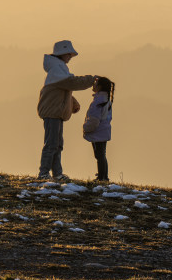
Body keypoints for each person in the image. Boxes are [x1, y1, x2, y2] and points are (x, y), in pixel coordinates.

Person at [36, 40, 97, 180]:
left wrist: (72, 102)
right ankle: (44, 173)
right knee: (51, 144)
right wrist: (91, 80)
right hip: (53, 112)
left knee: (57, 144)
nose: (70, 56)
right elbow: (71, 83)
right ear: (62, 54)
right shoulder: (58, 69)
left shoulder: (58, 68)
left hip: (56, 112)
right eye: (69, 54)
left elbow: (62, 90)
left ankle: (56, 173)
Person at [82, 77, 114, 182]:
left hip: (98, 132)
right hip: (104, 131)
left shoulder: (97, 102)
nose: (93, 85)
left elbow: (94, 120)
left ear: (99, 87)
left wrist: (86, 128)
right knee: (102, 154)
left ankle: (101, 177)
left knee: (99, 155)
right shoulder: (106, 100)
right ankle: (103, 176)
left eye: (95, 83)